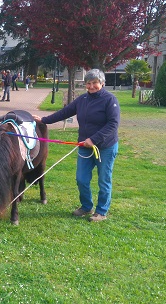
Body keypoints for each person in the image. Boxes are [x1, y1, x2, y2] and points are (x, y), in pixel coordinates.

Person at [32, 69, 120, 222]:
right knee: (81, 179)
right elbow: (65, 112)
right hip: (85, 146)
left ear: (102, 83)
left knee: (104, 179)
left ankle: (101, 211)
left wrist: (94, 139)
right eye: (88, 83)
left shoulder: (110, 100)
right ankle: (86, 206)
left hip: (105, 147)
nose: (91, 86)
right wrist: (44, 120)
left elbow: (113, 124)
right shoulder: (83, 99)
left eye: (95, 83)